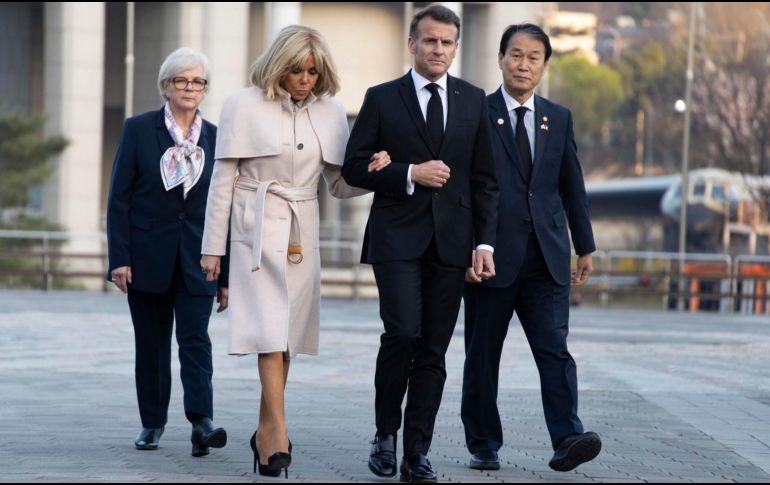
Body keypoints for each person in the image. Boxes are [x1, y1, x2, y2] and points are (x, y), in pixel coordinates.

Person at [200, 25, 390, 478]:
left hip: (303, 232)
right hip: (255, 226)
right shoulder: (241, 104)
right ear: (277, 66)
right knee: (268, 330)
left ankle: (265, 432)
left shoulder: (329, 112)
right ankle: (280, 434)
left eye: (311, 71)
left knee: (287, 338)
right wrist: (213, 249)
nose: (304, 79)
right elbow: (221, 182)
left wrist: (376, 172)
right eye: (295, 70)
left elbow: (340, 185)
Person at [342, 5, 499, 483]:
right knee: (402, 333)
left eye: (447, 42)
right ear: (412, 44)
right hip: (395, 237)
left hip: (452, 243)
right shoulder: (382, 97)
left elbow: (485, 181)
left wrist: (485, 245)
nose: (438, 49)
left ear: (456, 47)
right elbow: (353, 166)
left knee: (433, 348)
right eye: (429, 41)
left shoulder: (474, 100)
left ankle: (418, 452)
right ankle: (384, 434)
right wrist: (408, 173)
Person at [460, 24, 601, 473]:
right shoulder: (475, 114)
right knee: (483, 354)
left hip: (547, 256)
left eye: (533, 57)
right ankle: (483, 442)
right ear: (500, 59)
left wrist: (585, 246)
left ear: (544, 65)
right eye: (516, 55)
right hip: (491, 257)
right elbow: (466, 189)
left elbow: (571, 185)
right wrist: (468, 248)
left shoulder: (558, 118)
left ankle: (567, 437)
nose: (524, 65)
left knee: (554, 350)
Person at [106, 47, 229, 457]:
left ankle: (201, 422)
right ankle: (152, 423)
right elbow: (119, 198)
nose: (190, 88)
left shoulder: (216, 136)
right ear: (166, 86)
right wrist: (119, 258)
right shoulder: (139, 129)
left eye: (198, 81)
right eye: (182, 80)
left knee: (196, 340)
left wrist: (225, 274)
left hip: (200, 259)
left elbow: (223, 205)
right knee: (153, 344)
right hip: (146, 257)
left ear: (205, 89)